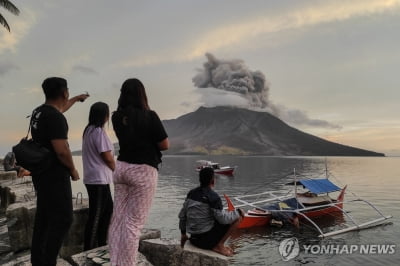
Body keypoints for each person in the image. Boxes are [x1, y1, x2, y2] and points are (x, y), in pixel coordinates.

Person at [108, 78, 169, 265]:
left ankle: (115, 262)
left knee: (118, 220)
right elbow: (164, 144)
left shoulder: (116, 117)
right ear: (142, 94)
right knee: (133, 224)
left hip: (121, 168)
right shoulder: (150, 116)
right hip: (143, 171)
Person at [30, 77, 89, 266]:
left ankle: (38, 260)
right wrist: (73, 170)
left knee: (45, 217)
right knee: (64, 218)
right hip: (54, 175)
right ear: (64, 92)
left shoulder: (39, 112)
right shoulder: (55, 118)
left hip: (41, 174)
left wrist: (77, 99)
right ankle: (48, 261)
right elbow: (62, 151)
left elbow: (60, 108)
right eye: (69, 91)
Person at [178, 168, 244, 256]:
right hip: (205, 242)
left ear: (200, 179)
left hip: (193, 239)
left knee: (214, 215)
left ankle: (217, 244)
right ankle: (219, 246)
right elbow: (223, 219)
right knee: (238, 218)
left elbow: (182, 215)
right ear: (213, 180)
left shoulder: (191, 193)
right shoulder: (213, 196)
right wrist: (238, 212)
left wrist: (183, 234)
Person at [82, 102, 115, 250]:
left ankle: (102, 245)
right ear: (104, 116)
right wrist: (118, 171)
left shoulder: (88, 130)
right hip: (98, 179)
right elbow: (107, 157)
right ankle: (88, 250)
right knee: (96, 216)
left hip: (93, 178)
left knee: (108, 211)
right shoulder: (98, 132)